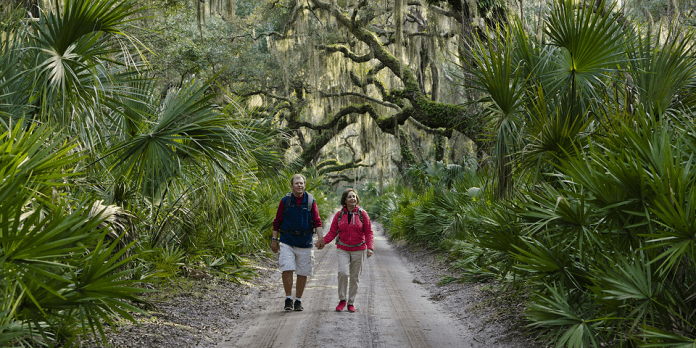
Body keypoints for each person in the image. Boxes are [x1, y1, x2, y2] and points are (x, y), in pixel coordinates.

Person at [271, 174, 325, 311]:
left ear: (304, 185)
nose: (299, 185)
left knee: (303, 272)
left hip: (305, 242)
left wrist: (320, 238)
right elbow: (277, 222)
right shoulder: (285, 201)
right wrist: (274, 240)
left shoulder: (311, 201)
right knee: (287, 268)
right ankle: (288, 298)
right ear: (292, 185)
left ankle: (298, 301)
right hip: (287, 241)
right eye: (297, 183)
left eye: (301, 183)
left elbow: (317, 221)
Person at [317, 188, 373, 312]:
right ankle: (342, 300)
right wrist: (323, 242)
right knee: (342, 272)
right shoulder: (339, 214)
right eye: (350, 197)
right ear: (345, 200)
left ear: (357, 199)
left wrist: (370, 248)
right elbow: (332, 232)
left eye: (354, 196)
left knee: (355, 277)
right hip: (343, 248)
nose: (352, 198)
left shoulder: (362, 214)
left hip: (359, 249)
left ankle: (351, 302)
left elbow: (368, 232)